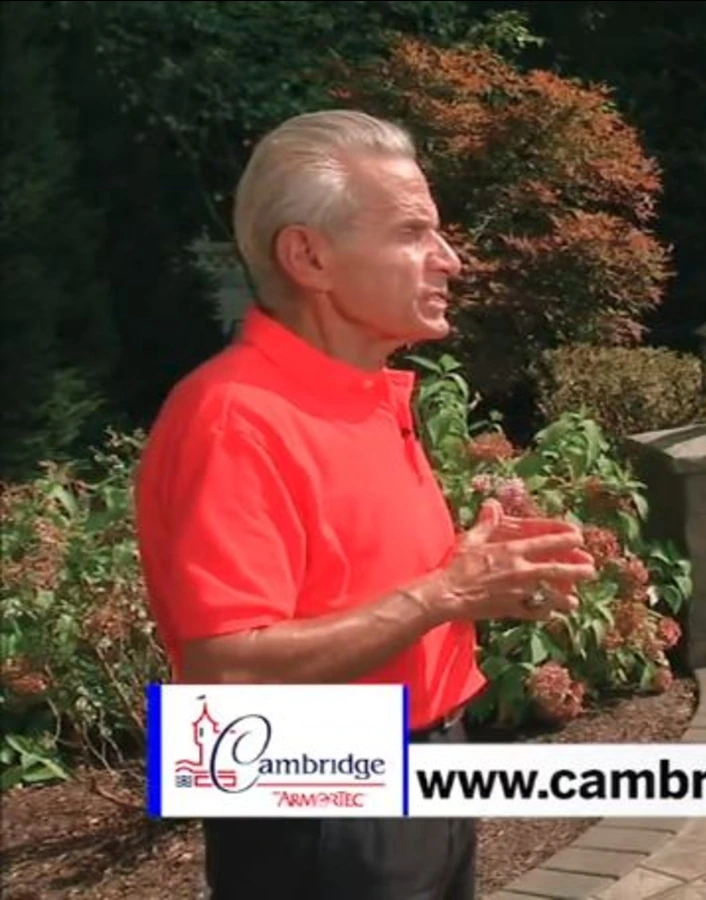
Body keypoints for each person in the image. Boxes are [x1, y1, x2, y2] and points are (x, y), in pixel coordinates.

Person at [134, 109, 597, 899]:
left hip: (423, 769)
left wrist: (469, 577)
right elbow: (226, 673)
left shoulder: (361, 394)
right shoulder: (232, 416)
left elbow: (368, 591)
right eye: (413, 233)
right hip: (315, 796)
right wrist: (445, 592)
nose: (449, 259)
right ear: (309, 256)